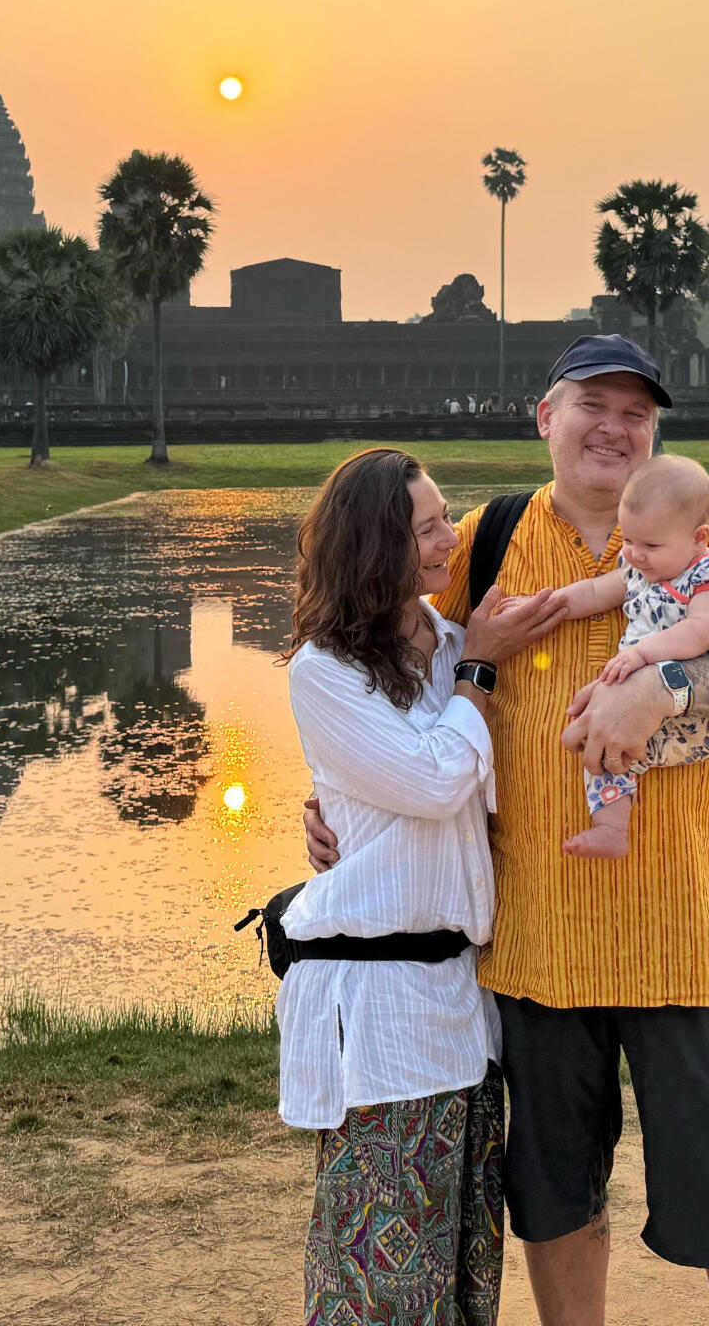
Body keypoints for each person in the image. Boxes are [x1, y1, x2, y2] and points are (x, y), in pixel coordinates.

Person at [306, 335, 709, 1326]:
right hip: (538, 954)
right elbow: (380, 670)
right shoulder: (490, 538)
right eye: (592, 402)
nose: (615, 426)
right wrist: (342, 796)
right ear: (543, 417)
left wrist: (666, 690)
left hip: (695, 945)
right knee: (554, 1207)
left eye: (637, 412)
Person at [279, 447, 504, 1324]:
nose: (453, 539)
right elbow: (435, 779)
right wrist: (481, 673)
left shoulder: (456, 646)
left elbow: (459, 794)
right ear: (378, 550)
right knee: (377, 1277)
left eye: (446, 517)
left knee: (460, 1265)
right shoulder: (323, 672)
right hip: (380, 1014)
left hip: (463, 1002)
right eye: (429, 528)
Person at [538, 454, 709, 861]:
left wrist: (640, 656)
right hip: (646, 684)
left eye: (650, 545)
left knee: (611, 745)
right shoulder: (642, 567)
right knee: (598, 735)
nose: (634, 554)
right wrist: (545, 604)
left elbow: (701, 632)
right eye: (629, 540)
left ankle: (612, 825)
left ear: (699, 536)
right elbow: (593, 593)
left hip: (701, 709)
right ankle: (611, 827)